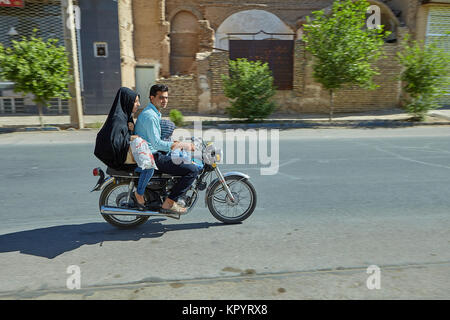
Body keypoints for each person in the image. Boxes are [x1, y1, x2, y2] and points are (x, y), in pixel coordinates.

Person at [135, 84, 198, 214]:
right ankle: (169, 203)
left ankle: (168, 193)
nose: (164, 101)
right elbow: (157, 143)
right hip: (152, 156)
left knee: (182, 158)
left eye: (166, 98)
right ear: (152, 98)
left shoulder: (154, 113)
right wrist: (179, 145)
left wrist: (177, 142)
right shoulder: (150, 116)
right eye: (161, 98)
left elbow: (157, 139)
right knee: (192, 170)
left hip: (153, 153)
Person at [94, 87, 153, 210]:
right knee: (149, 168)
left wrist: (131, 131)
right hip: (121, 160)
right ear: (127, 101)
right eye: (135, 101)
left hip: (126, 156)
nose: (138, 104)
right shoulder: (118, 120)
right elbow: (117, 143)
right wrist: (131, 136)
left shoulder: (126, 117)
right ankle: (139, 195)